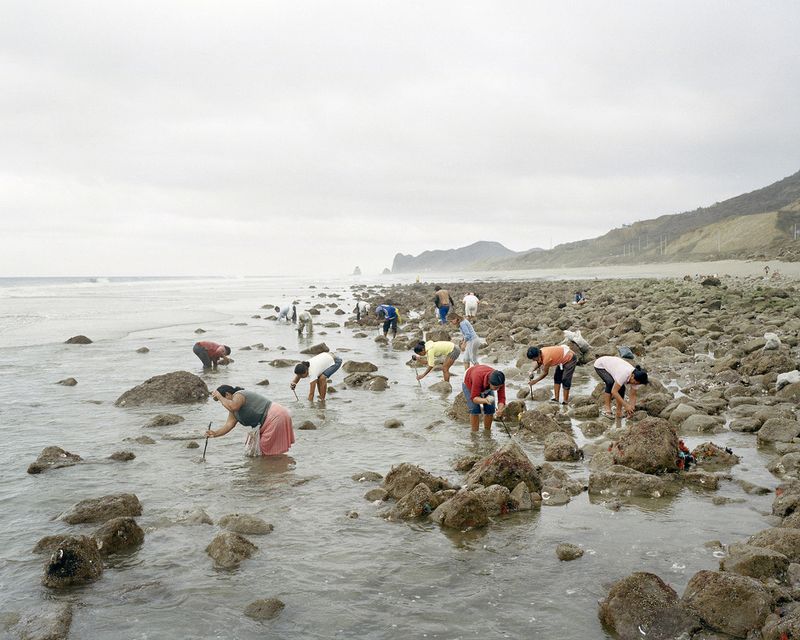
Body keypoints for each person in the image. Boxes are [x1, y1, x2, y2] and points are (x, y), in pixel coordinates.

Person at [206, 385, 295, 456]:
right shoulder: (233, 411)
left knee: (264, 449)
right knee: (256, 450)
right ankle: (274, 470)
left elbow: (233, 406)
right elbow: (229, 425)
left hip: (275, 415)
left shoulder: (238, 395)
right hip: (267, 421)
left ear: (227, 394)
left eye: (222, 400)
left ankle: (272, 473)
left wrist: (219, 397)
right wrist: (215, 433)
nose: (223, 404)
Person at [463, 365, 506, 431]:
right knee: (475, 409)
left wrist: (500, 410)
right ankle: (475, 434)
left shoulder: (499, 380)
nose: (498, 389)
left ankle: (487, 432)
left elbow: (502, 398)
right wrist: (485, 400)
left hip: (483, 379)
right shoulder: (477, 378)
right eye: (496, 387)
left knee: (490, 408)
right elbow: (474, 398)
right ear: (489, 382)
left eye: (500, 387)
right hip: (469, 380)